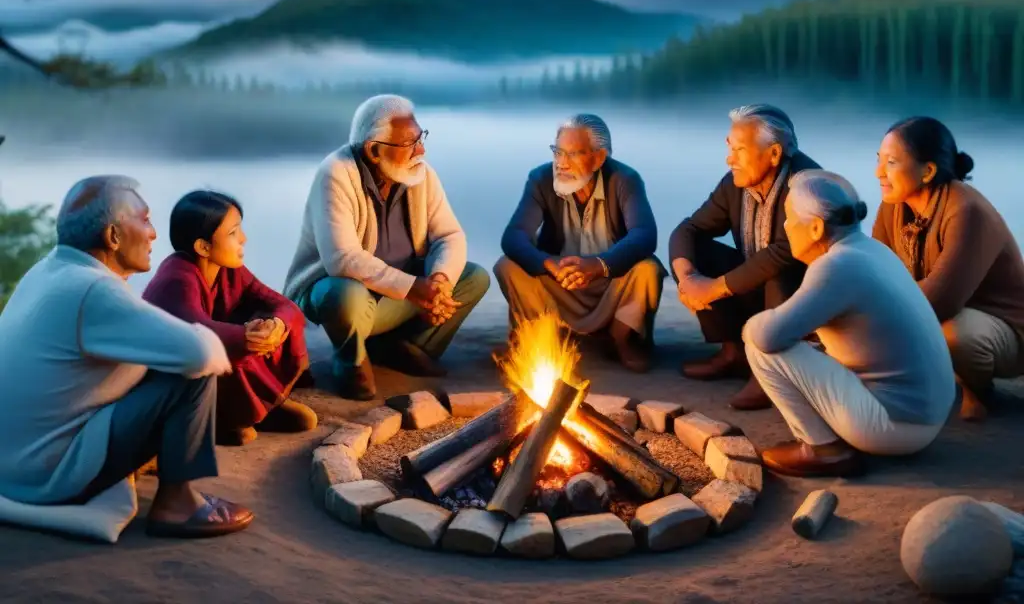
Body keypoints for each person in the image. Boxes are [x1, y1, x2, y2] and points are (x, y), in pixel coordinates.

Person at [0, 176, 253, 539]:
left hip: (12, 464)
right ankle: (177, 504)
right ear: (113, 236)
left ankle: (162, 468)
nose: (153, 234)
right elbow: (202, 352)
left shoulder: (47, 271)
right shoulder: (93, 289)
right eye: (145, 219)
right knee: (191, 371)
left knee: (167, 358)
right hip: (46, 475)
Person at [745, 170, 955, 477]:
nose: (785, 226)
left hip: (895, 427)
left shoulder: (836, 266)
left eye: (789, 217)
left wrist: (757, 323)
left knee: (761, 347)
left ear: (815, 227)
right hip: (929, 414)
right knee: (805, 341)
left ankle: (823, 450)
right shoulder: (871, 250)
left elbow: (767, 337)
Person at [282, 94, 490, 400]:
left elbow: (450, 235)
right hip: (347, 294)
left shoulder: (420, 174)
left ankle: (400, 349)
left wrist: (439, 281)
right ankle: (350, 359)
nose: (422, 149)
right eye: (411, 143)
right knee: (345, 294)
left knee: (472, 278)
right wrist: (415, 288)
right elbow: (342, 259)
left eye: (421, 138)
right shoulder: (336, 174)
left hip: (403, 292)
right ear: (375, 150)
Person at [872, 116, 1024, 422]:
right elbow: (875, 272)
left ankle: (977, 389)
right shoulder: (894, 204)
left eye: (891, 162)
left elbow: (940, 301)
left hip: (1006, 330)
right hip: (944, 313)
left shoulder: (966, 211)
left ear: (927, 171)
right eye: (878, 161)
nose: (878, 173)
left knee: (954, 335)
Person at [668, 104, 820, 409]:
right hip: (760, 292)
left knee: (779, 268)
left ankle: (771, 371)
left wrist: (713, 288)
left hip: (807, 304)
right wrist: (688, 279)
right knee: (694, 252)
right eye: (730, 148)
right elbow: (689, 229)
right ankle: (734, 352)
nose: (729, 158)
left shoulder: (809, 186)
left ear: (774, 154)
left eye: (740, 149)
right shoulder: (735, 184)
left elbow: (783, 252)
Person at [143, 190, 316, 446]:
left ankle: (260, 405)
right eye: (233, 233)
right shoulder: (176, 279)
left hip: (210, 370)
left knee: (266, 317)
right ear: (203, 246)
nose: (243, 239)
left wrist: (276, 325)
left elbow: (282, 305)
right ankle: (217, 418)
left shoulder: (228, 269)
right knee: (228, 344)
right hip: (173, 380)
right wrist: (247, 337)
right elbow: (198, 333)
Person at [494, 113, 665, 372]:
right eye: (557, 152)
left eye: (573, 154)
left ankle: (624, 338)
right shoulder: (541, 178)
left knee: (647, 269)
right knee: (508, 266)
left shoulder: (624, 180)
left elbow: (644, 234)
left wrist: (597, 265)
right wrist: (548, 263)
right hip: (560, 280)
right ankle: (536, 338)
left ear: (599, 158)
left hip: (610, 281)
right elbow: (514, 235)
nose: (561, 164)